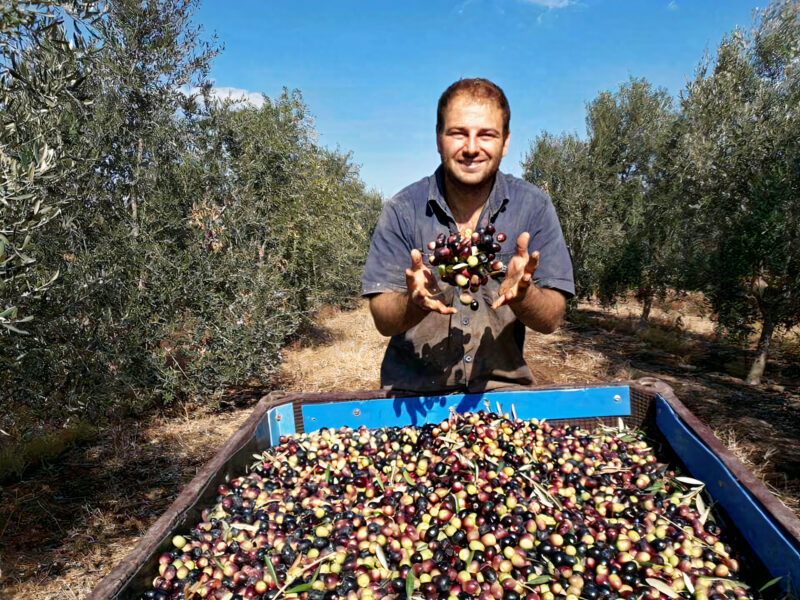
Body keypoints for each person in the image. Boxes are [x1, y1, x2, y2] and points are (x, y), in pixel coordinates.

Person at [362, 78, 574, 393]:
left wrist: (525, 295)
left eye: (486, 134)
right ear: (438, 139)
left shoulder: (533, 206)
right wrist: (415, 302)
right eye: (458, 133)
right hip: (414, 394)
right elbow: (383, 320)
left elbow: (551, 319)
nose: (472, 148)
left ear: (505, 142)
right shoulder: (402, 210)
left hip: (501, 389)